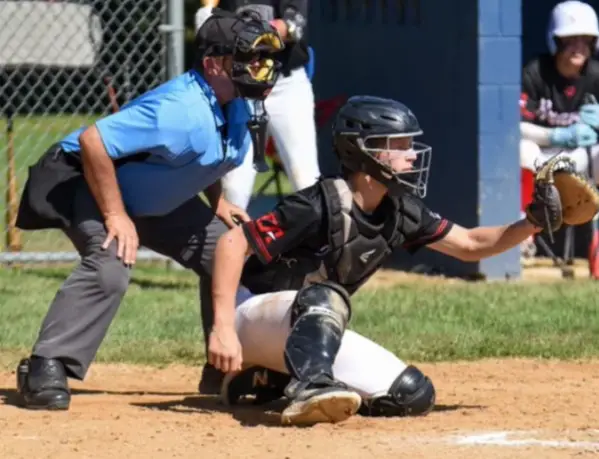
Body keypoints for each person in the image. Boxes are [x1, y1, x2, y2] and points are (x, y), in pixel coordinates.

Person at [204, 95, 553, 426]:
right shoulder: (317, 204)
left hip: (307, 324)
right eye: (398, 145)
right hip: (250, 316)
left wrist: (532, 222)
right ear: (363, 151)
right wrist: (222, 328)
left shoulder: (399, 209)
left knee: (411, 394)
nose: (412, 154)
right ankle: (308, 386)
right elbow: (232, 243)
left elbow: (471, 244)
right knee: (325, 297)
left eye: (409, 144)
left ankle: (271, 377)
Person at [13, 9, 284, 411]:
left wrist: (218, 202)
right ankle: (45, 365)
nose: (260, 67)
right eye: (248, 57)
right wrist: (115, 215)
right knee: (110, 266)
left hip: (154, 197)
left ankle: (226, 368)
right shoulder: (180, 110)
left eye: (264, 57)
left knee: (232, 253)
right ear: (213, 65)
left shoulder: (239, 103)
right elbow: (93, 142)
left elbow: (208, 156)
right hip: (89, 182)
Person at [196, 0, 321, 210]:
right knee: (234, 187)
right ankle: (232, 232)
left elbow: (292, 26)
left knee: (306, 179)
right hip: (242, 88)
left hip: (286, 85)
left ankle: (320, 230)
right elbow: (211, 29)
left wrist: (244, 34)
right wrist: (208, 16)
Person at [520, 0, 599, 256]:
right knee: (521, 149)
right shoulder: (535, 72)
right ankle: (523, 238)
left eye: (585, 41)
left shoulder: (596, 75)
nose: (578, 48)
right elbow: (515, 127)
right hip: (543, 155)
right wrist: (556, 135)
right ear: (555, 41)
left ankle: (597, 244)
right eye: (570, 40)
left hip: (580, 156)